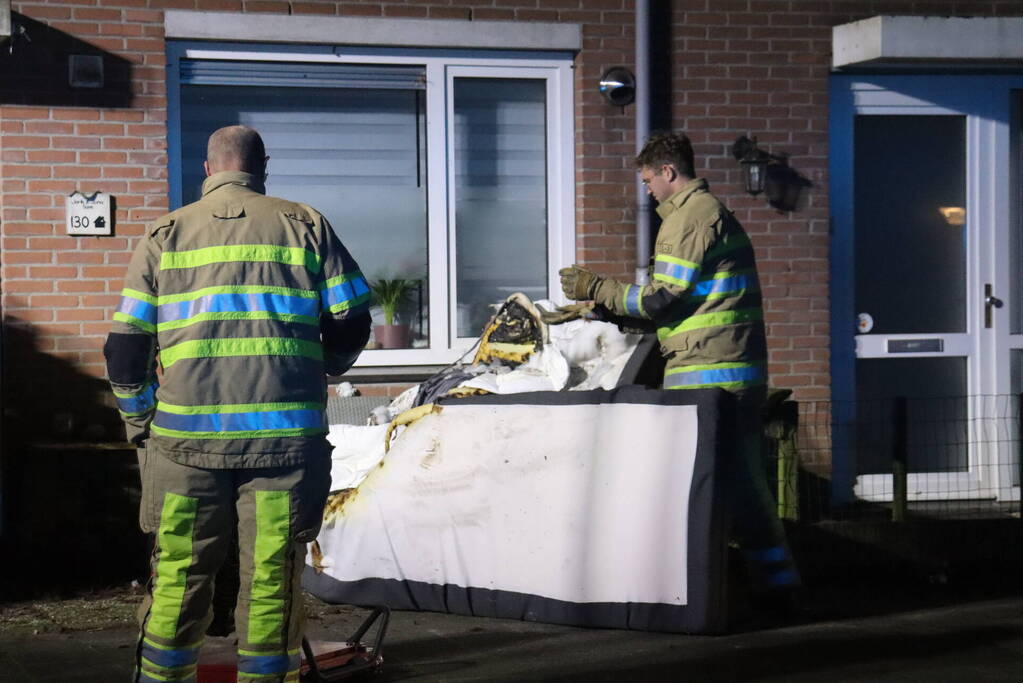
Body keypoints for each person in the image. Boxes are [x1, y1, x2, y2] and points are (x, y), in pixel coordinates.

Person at [104, 125, 371, 683]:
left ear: (208, 170)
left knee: (178, 575)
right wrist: (321, 368)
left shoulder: (165, 234)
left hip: (183, 451)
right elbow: (352, 319)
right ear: (262, 167)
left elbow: (125, 348)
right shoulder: (306, 225)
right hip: (284, 449)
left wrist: (140, 424)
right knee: (272, 578)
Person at [559, 131, 800, 599]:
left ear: (668, 172)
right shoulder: (699, 216)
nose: (646, 189)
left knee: (726, 490)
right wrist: (606, 310)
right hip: (721, 373)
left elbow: (661, 298)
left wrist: (598, 287)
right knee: (736, 488)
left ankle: (764, 593)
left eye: (649, 179)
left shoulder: (691, 218)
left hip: (714, 378)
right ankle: (770, 589)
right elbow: (681, 303)